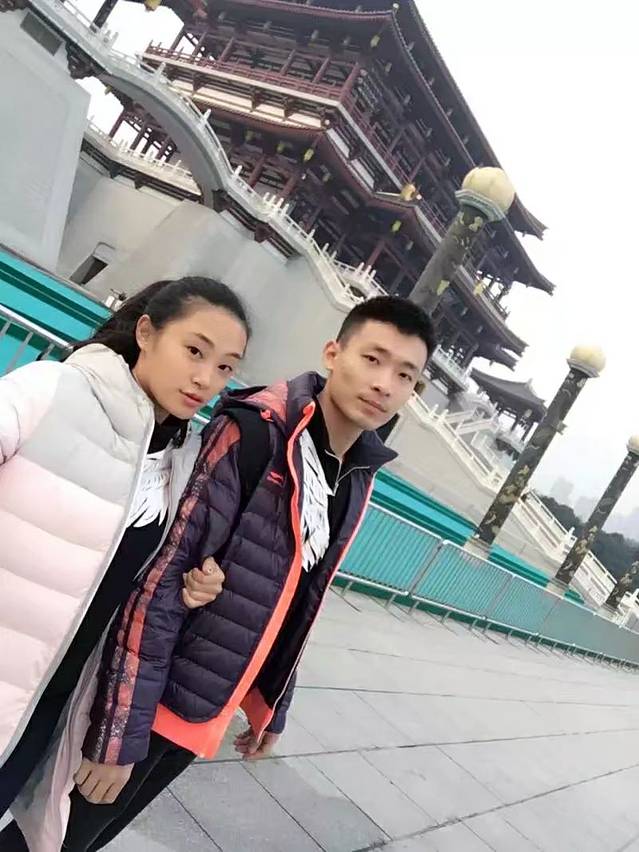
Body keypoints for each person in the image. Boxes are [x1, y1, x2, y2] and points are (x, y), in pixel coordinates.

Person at [10, 295, 435, 851]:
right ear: (333, 353)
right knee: (46, 841)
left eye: (404, 375)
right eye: (373, 359)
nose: (384, 384)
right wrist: (118, 734)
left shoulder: (356, 473)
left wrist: (271, 703)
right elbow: (161, 580)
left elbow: (299, 597)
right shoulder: (256, 433)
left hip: (207, 705)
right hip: (152, 700)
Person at [0, 276, 250, 839]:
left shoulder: (181, 462)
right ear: (145, 332)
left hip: (44, 706)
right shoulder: (52, 390)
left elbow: (135, 580)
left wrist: (197, 582)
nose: (206, 379)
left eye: (225, 367)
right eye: (194, 351)